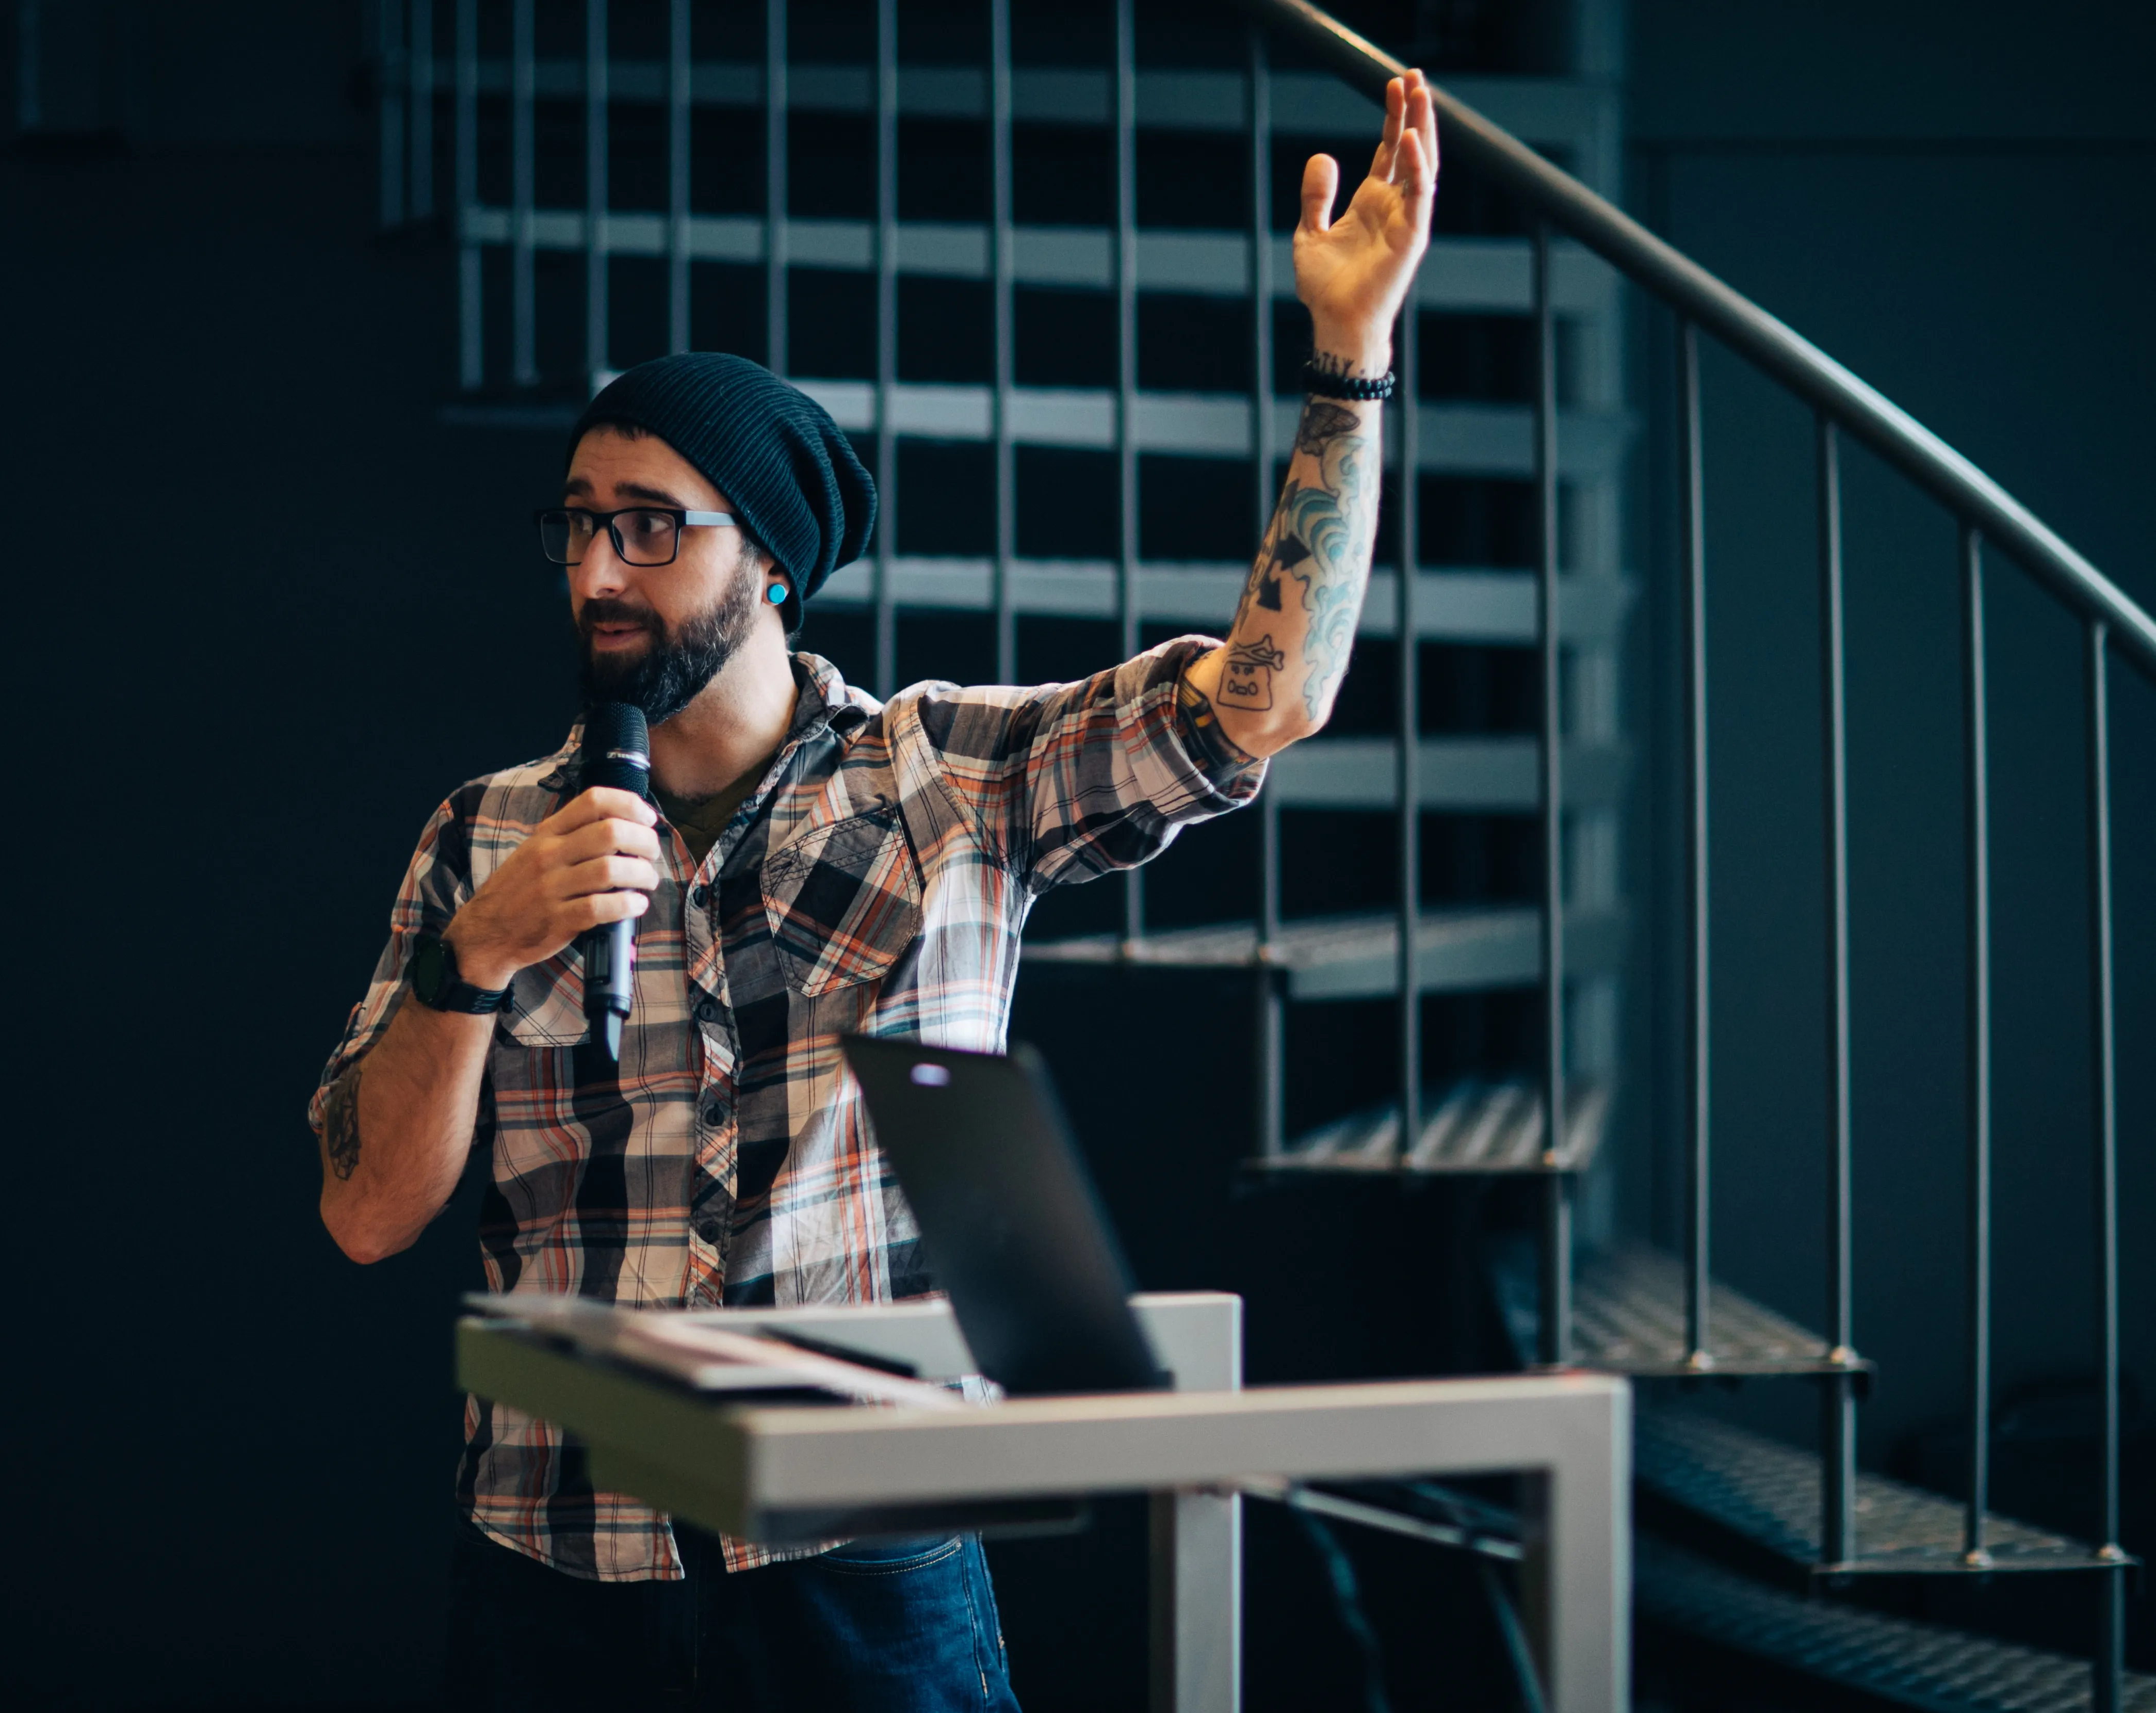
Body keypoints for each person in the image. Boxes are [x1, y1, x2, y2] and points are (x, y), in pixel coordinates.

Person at [310, 70, 1439, 1713]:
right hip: (555, 1577)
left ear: (767, 558)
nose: (596, 572)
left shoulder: (949, 778)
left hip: (862, 1574)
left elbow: (1265, 698)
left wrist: (1348, 369)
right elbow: (363, 1216)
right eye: (573, 528)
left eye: (647, 529)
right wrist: (474, 961)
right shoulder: (482, 834)